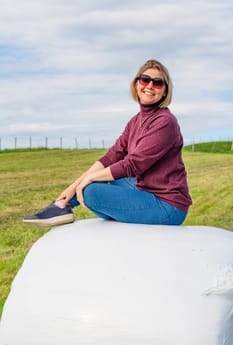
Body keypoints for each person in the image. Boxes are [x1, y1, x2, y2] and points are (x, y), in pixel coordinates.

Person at [23, 59, 192, 228]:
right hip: (144, 188)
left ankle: (78, 203)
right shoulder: (135, 121)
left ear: (164, 92)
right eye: (145, 79)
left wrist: (89, 180)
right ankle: (61, 205)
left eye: (157, 83)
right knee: (97, 180)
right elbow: (113, 156)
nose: (149, 86)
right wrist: (72, 187)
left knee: (92, 192)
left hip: (167, 205)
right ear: (136, 84)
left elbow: (133, 165)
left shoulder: (165, 122)